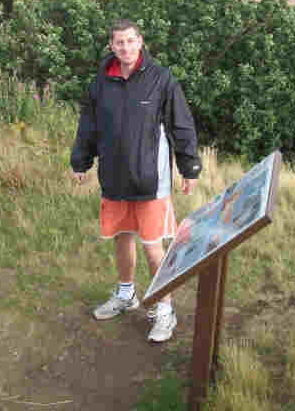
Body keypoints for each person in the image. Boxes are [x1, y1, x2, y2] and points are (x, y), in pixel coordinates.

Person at [70, 19, 202, 342]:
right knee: (121, 237)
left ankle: (164, 310)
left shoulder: (161, 79)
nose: (125, 48)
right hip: (114, 178)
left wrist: (189, 168)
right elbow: (89, 125)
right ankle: (126, 294)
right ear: (111, 46)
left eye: (130, 41)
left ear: (140, 42)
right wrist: (80, 161)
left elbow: (180, 125)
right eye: (119, 42)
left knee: (152, 248)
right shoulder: (101, 82)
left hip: (149, 181)